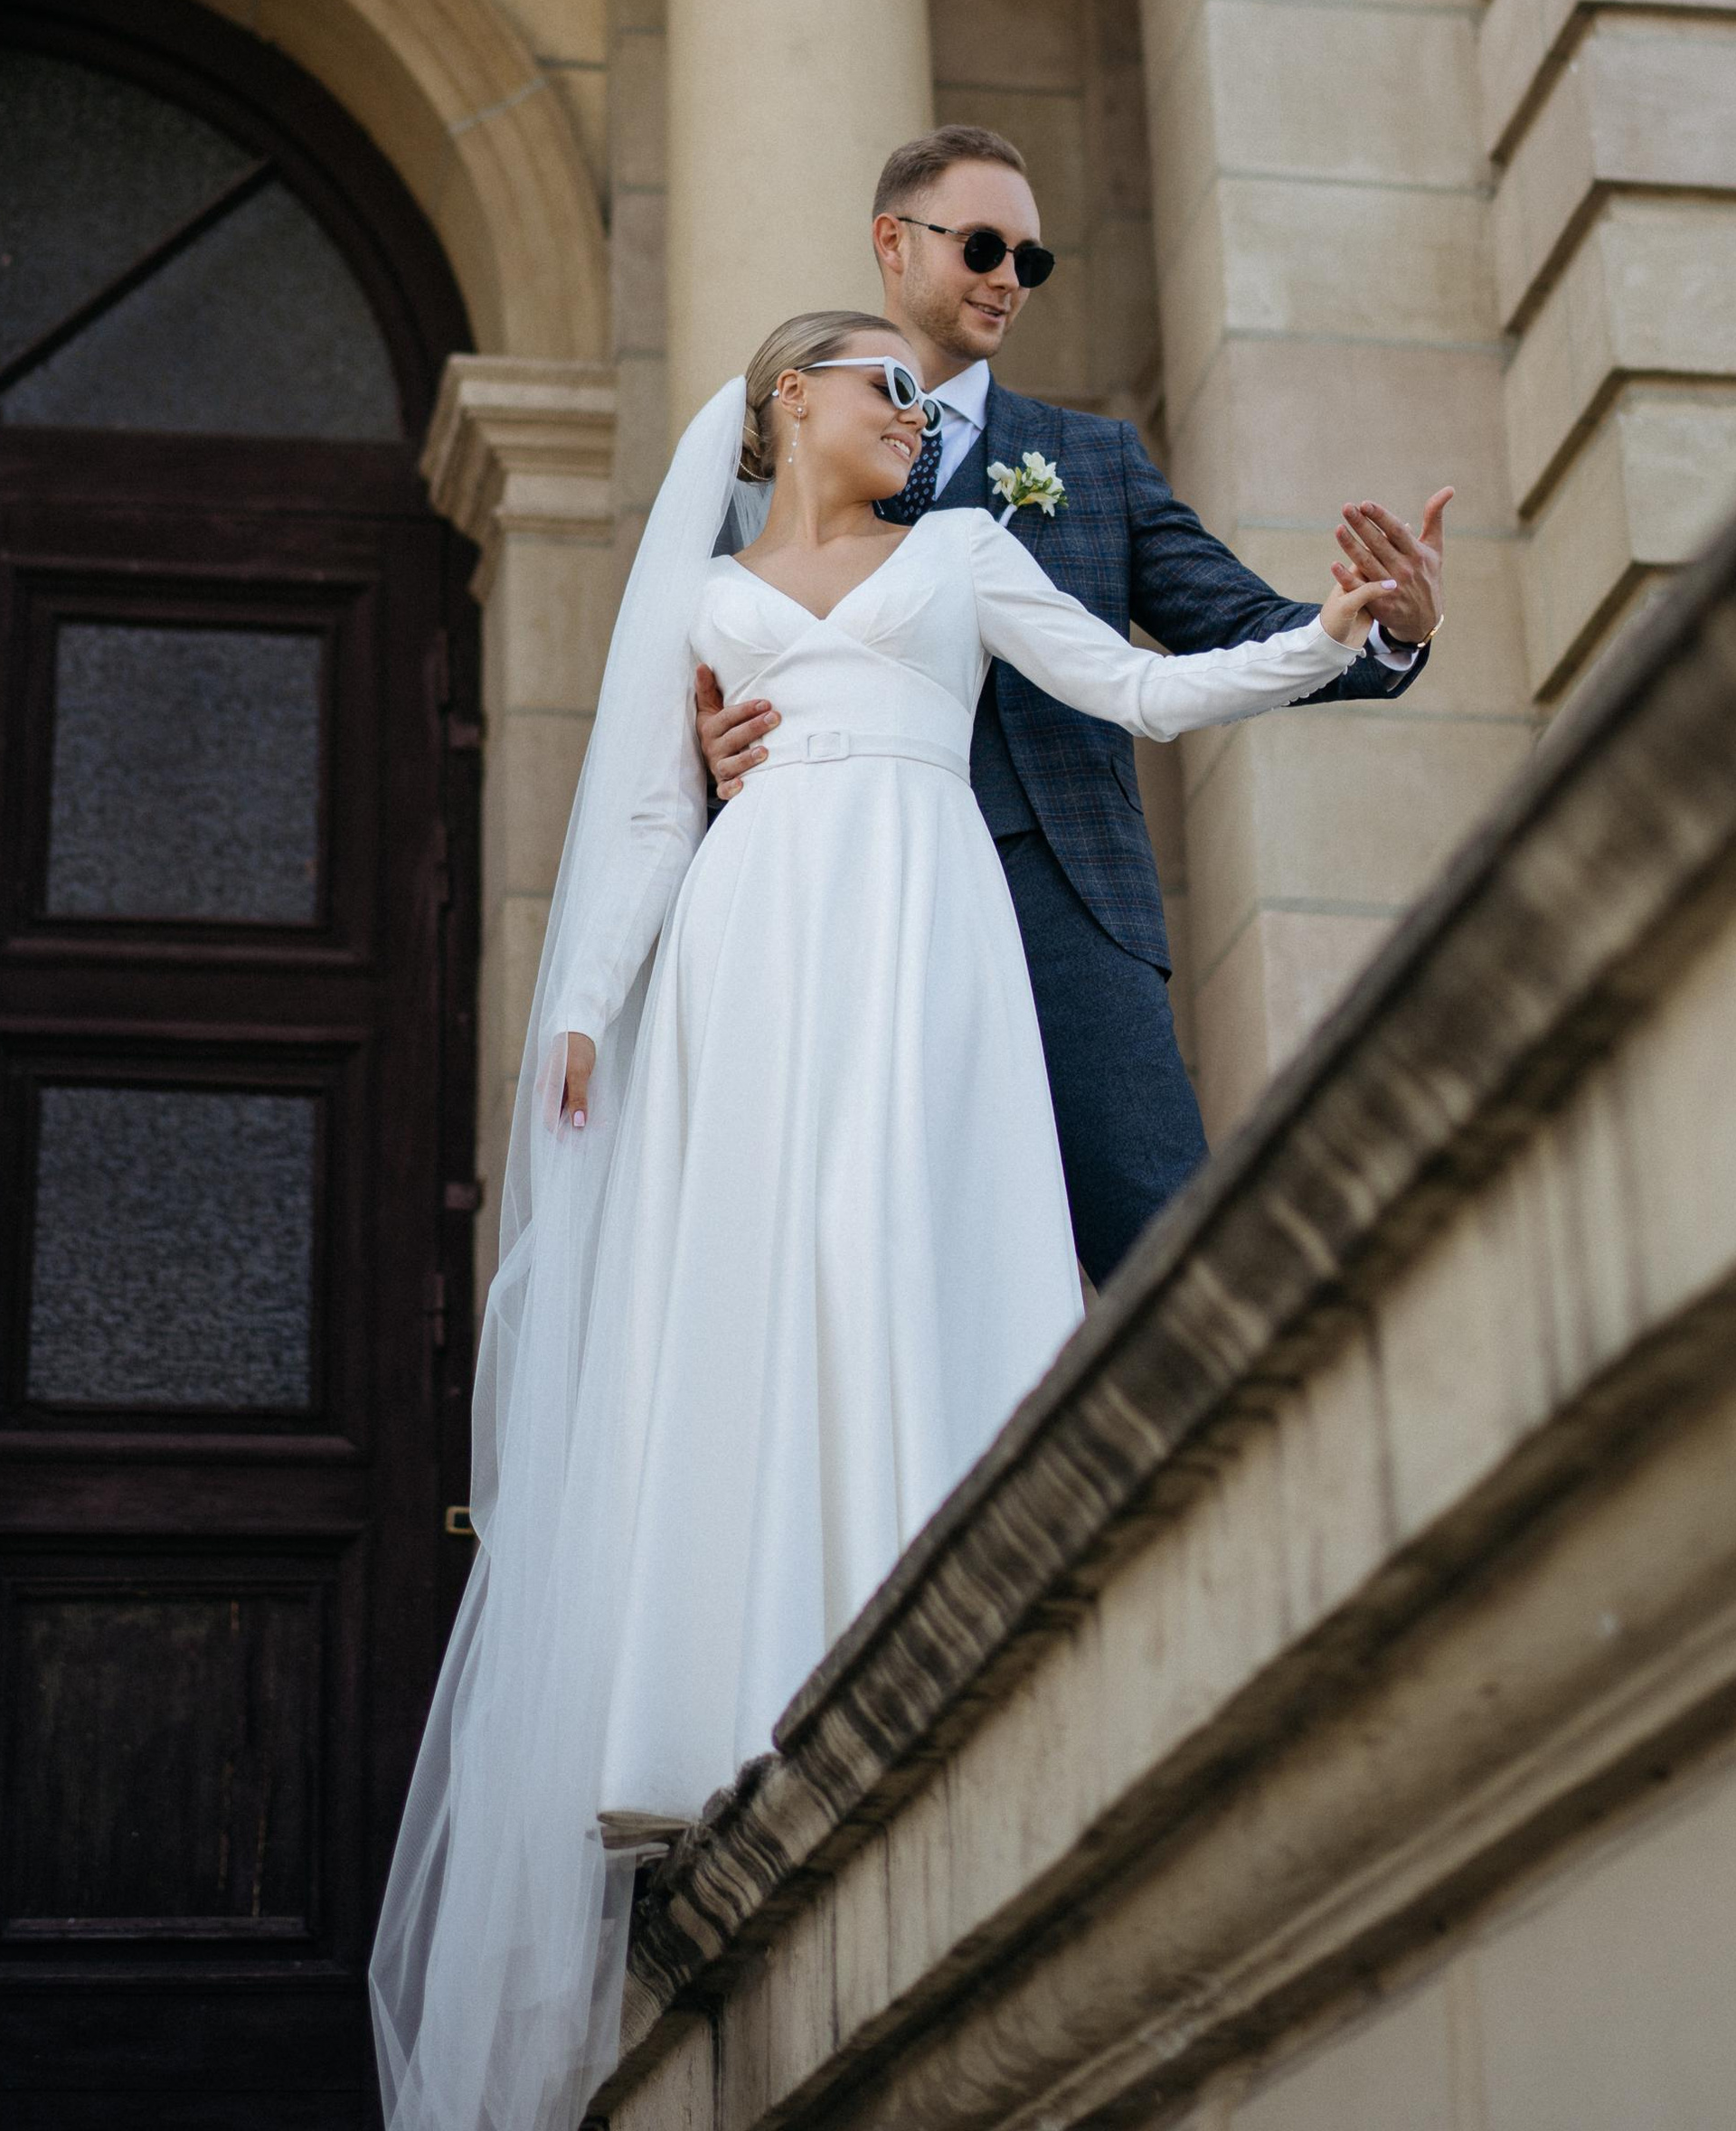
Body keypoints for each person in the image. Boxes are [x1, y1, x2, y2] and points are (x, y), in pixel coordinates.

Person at [371, 309, 1420, 2131]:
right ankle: (721, 1713)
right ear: (793, 400)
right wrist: (591, 1007)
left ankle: (929, 1662)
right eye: (885, 389)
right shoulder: (701, 598)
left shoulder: (963, 552)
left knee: (899, 1257)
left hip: (920, 935)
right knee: (753, 1287)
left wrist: (1331, 633)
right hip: (750, 946)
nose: (916, 417)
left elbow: (1139, 690)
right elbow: (637, 814)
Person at [696, 128, 1450, 1284]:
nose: (1007, 279)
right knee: (853, 1249)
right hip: (829, 893)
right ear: (892, 243)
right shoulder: (763, 471)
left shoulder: (1088, 462)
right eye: (985, 247)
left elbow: (1228, 624)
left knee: (1165, 1259)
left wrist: (1381, 627)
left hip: (1064, 899)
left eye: (1031, 262)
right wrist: (706, 744)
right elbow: (711, 663)